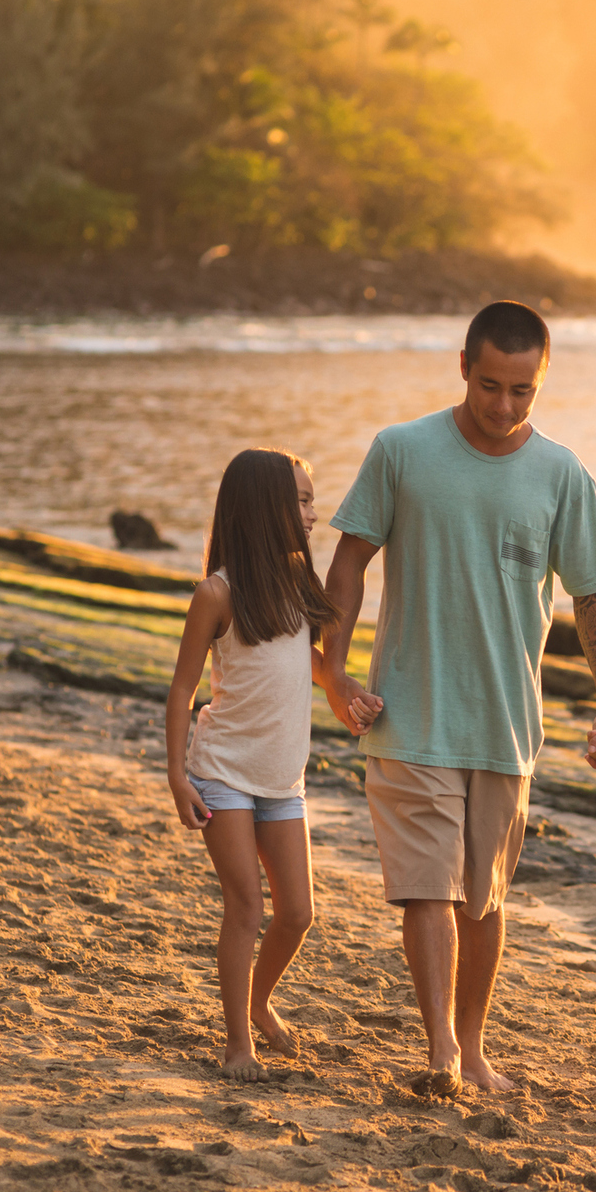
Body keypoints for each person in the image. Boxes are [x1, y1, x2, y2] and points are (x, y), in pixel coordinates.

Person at [320, 301, 596, 1096]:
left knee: (483, 901)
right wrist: (334, 672)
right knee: (429, 887)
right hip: (407, 713)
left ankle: (474, 1045)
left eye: (523, 390)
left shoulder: (562, 473)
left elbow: (592, 596)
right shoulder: (401, 450)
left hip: (504, 723)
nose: (503, 404)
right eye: (490, 385)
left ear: (542, 381)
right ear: (463, 366)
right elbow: (348, 563)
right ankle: (441, 1053)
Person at [165, 448, 383, 1082]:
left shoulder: (295, 584)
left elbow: (302, 660)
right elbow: (182, 689)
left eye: (312, 500)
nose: (314, 515)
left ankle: (260, 1002)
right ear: (265, 508)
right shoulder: (217, 593)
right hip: (222, 774)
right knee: (246, 908)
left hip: (283, 780)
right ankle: (238, 1043)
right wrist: (177, 776)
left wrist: (341, 688)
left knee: (297, 914)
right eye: (303, 501)